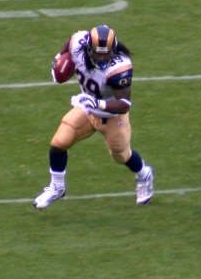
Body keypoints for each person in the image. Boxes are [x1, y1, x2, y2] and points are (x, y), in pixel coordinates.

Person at [34, 25, 154, 209]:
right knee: (59, 143)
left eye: (106, 54)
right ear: (89, 48)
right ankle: (57, 187)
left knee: (121, 155)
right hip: (86, 108)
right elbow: (71, 42)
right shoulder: (79, 43)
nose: (102, 58)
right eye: (98, 53)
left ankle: (144, 174)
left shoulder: (120, 67)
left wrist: (97, 104)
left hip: (111, 115)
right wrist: (58, 59)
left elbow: (124, 104)